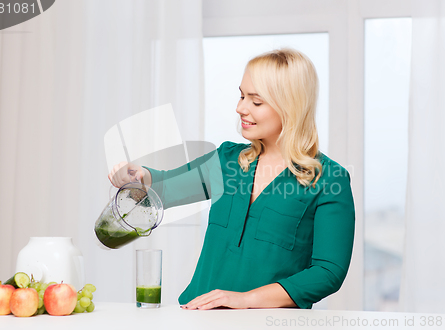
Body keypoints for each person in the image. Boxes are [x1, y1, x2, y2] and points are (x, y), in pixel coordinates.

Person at [108, 48, 355, 310]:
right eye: (241, 96)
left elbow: (328, 272)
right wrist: (138, 176)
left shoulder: (330, 179)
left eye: (256, 101)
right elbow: (165, 188)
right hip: (197, 318)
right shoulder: (227, 160)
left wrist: (247, 299)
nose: (240, 108)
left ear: (290, 106)